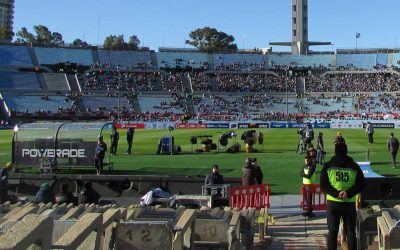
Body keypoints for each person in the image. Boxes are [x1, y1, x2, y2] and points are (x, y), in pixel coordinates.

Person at [320, 143, 365, 250]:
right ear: (346, 151)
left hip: (333, 203)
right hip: (349, 203)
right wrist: (348, 193)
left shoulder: (328, 165)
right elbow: (361, 184)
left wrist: (336, 193)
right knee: (350, 231)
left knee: (332, 231)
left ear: (335, 151)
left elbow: (324, 185)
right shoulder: (354, 166)